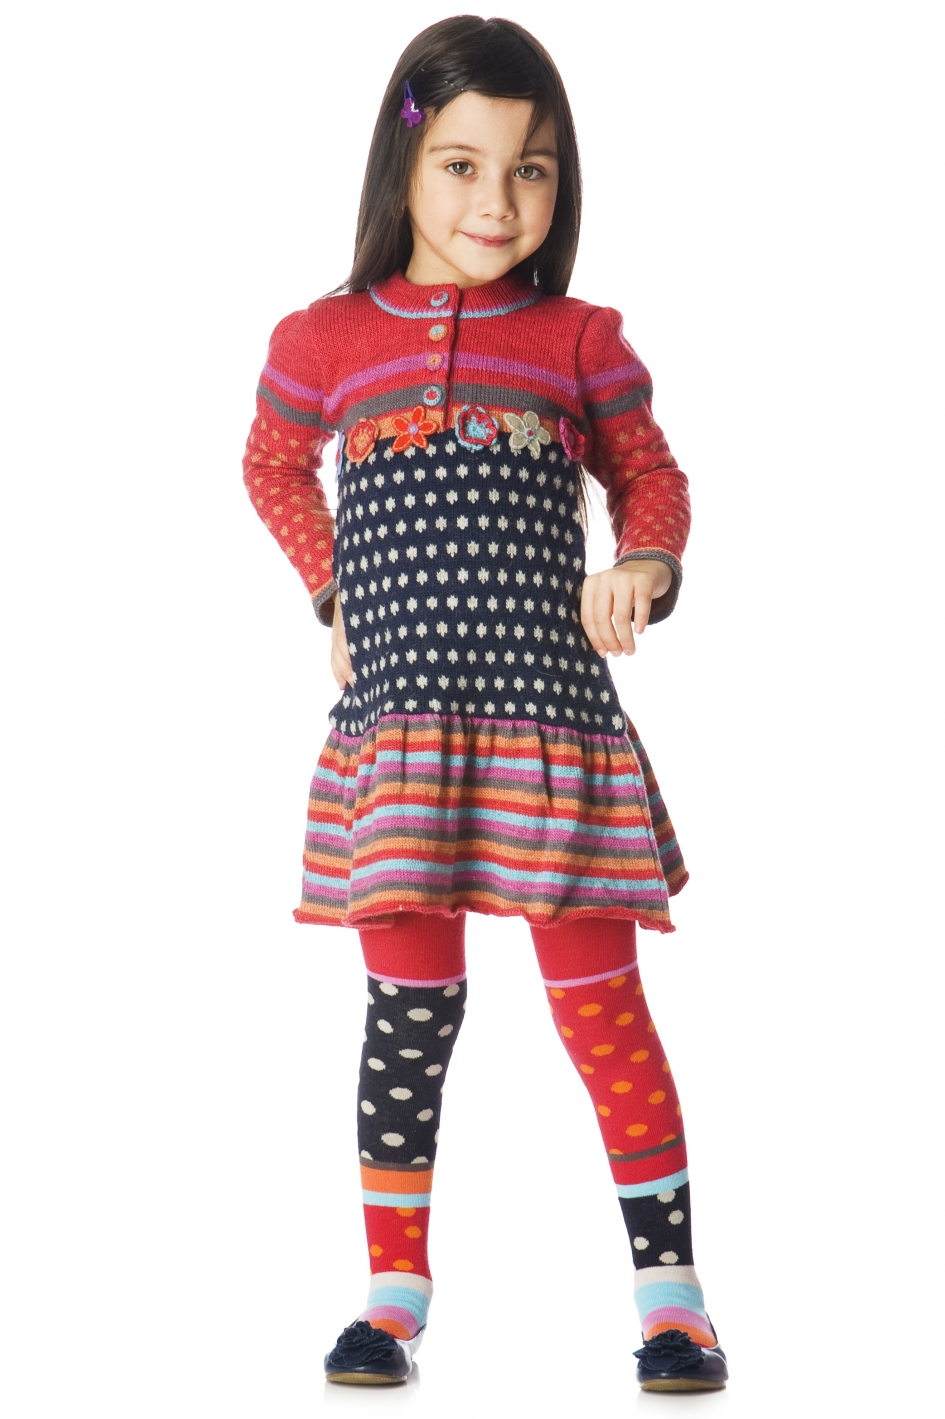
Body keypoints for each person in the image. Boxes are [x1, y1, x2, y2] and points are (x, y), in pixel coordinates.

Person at [242, 14, 726, 1394]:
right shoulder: (322, 338)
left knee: (603, 1014)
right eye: (461, 165)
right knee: (407, 1019)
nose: (496, 203)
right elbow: (270, 462)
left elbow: (651, 476)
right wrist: (333, 589)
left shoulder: (579, 339)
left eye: (532, 170)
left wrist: (642, 564)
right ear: (400, 166)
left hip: (551, 732)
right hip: (399, 739)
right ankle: (391, 1295)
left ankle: (673, 1298)